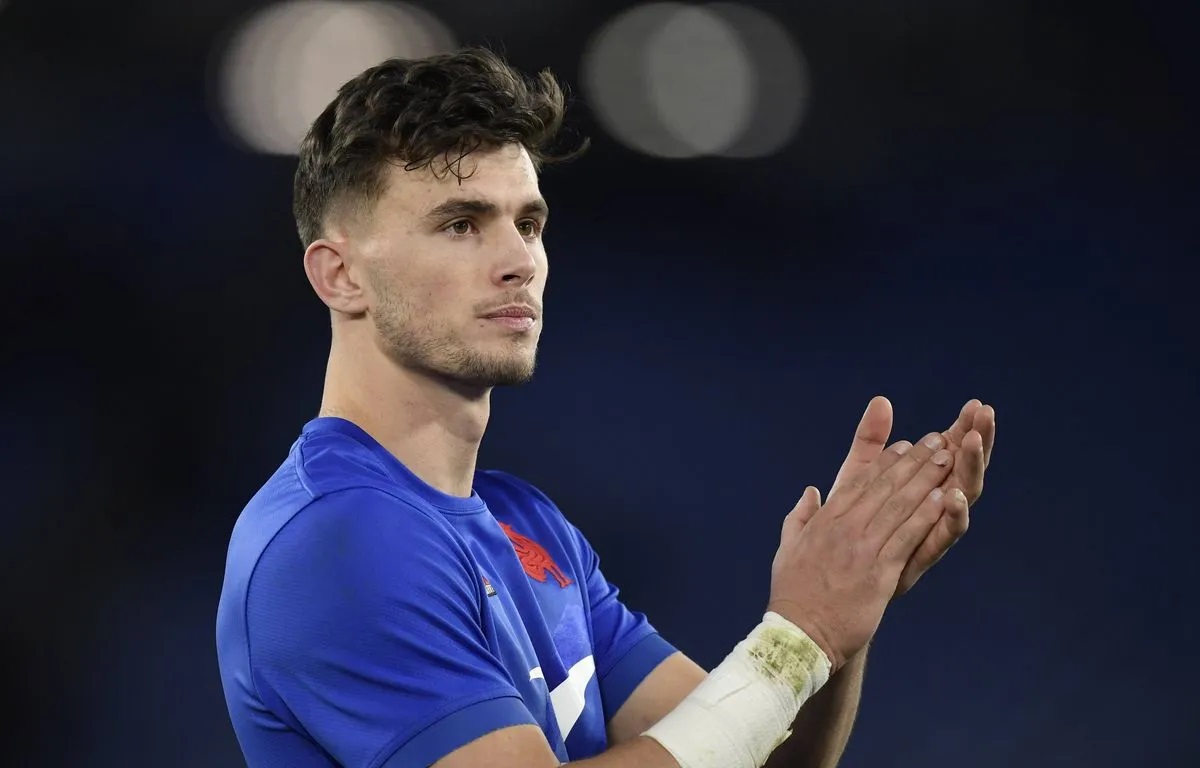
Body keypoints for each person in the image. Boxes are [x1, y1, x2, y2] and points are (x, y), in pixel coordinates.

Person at [214, 47, 997, 768]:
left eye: (529, 224)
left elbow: (748, 755)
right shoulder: (335, 541)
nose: (519, 261)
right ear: (340, 276)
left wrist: (843, 612)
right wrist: (801, 634)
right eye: (461, 224)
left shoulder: (526, 523)